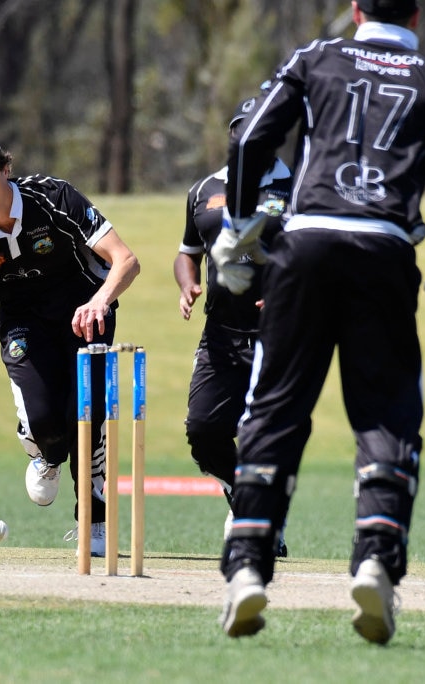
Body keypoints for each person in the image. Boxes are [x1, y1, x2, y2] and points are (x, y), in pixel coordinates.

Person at [211, 0, 425, 644]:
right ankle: (375, 563)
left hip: (302, 248)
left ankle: (248, 568)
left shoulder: (316, 56)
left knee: (275, 406)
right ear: (417, 17)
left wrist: (237, 227)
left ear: (355, 9)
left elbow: (250, 138)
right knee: (386, 411)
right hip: (385, 252)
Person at [0, 131, 141, 556]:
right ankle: (44, 450)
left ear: (6, 169)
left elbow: (126, 261)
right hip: (23, 322)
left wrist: (99, 302)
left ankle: (93, 522)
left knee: (88, 417)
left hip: (85, 313)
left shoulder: (55, 197)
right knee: (47, 425)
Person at [173, 95, 292, 557]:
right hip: (221, 334)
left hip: (280, 333)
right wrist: (187, 284)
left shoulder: (298, 185)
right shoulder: (204, 189)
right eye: (240, 131)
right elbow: (188, 252)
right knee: (203, 432)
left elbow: (316, 250)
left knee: (266, 431)